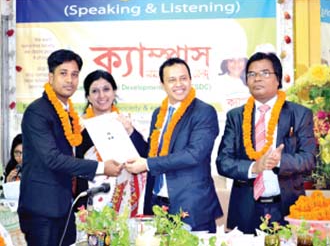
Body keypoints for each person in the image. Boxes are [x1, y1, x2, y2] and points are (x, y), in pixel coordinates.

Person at [18, 49, 122, 246]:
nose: (69, 80)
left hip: (64, 207)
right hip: (42, 210)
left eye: (74, 74)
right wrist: (101, 167)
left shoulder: (68, 113)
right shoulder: (38, 112)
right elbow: (52, 158)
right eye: (63, 73)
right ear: (51, 77)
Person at [216, 52, 317, 234]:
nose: (257, 79)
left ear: (278, 79)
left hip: (286, 209)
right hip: (246, 210)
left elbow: (309, 159)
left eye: (264, 73)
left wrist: (278, 162)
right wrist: (254, 167)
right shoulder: (236, 117)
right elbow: (223, 162)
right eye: (252, 74)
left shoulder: (299, 114)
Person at [120, 57, 222, 233]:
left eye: (183, 78)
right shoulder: (158, 113)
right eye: (172, 80)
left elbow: (194, 154)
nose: (179, 84)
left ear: (190, 79)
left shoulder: (204, 112)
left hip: (191, 207)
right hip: (159, 205)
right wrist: (131, 132)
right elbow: (152, 155)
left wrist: (147, 164)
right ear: (163, 84)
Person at [75, 69, 142, 216]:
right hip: (91, 196)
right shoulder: (79, 128)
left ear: (114, 92)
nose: (101, 96)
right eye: (95, 91)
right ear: (88, 96)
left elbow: (145, 155)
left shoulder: (126, 122)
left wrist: (130, 131)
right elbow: (75, 166)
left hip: (123, 196)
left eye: (106, 89)